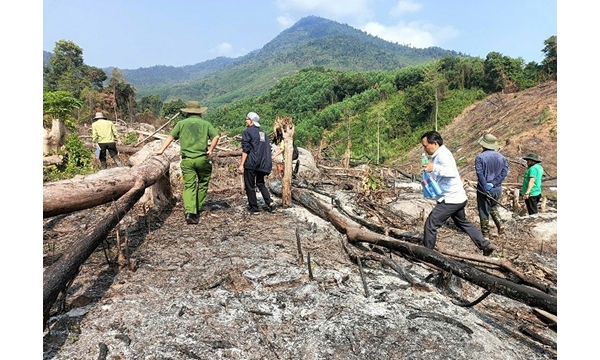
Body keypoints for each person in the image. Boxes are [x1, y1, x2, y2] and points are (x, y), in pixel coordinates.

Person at [420, 131, 497, 256]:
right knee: (462, 222)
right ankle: (485, 245)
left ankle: (427, 255)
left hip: (451, 198)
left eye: (425, 145)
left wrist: (434, 168)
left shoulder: (442, 155)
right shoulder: (439, 155)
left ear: (434, 143)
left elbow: (451, 172)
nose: (424, 148)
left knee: (431, 224)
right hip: (457, 197)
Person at [155, 101, 220, 224]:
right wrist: (210, 150)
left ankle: (190, 212)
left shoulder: (181, 124)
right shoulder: (206, 124)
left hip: (187, 160)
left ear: (187, 112)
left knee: (189, 185)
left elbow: (170, 137)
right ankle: (198, 208)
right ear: (199, 113)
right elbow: (216, 137)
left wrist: (161, 150)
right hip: (202, 158)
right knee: (203, 183)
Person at [238, 111, 276, 214]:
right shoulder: (263, 133)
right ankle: (270, 202)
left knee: (250, 185)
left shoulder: (247, 132)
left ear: (251, 121)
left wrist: (242, 164)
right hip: (263, 163)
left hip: (251, 163)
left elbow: (246, 149)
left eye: (246, 119)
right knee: (260, 183)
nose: (245, 121)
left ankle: (254, 208)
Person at [474, 134, 509, 237]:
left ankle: (485, 234)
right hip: (497, 189)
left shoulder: (480, 157)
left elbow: (479, 174)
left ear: (483, 145)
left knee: (483, 210)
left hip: (484, 189)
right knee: (493, 206)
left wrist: (485, 186)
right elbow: (504, 172)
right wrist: (494, 183)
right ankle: (500, 224)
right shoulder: (501, 157)